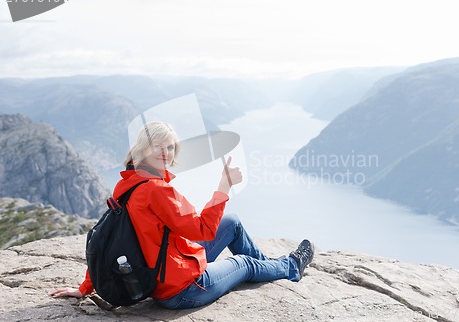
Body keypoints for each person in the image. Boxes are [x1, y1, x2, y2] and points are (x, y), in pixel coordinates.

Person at [49, 121, 314, 309]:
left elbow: (107, 241)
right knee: (243, 263)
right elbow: (203, 230)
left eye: (171, 147)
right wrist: (224, 187)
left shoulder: (126, 186)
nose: (166, 153)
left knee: (231, 223)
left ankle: (268, 269)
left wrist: (85, 287)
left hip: (165, 271)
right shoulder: (157, 190)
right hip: (183, 290)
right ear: (142, 149)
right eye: (158, 146)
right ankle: (290, 267)